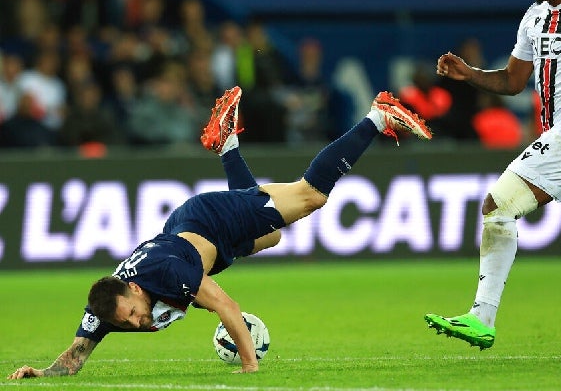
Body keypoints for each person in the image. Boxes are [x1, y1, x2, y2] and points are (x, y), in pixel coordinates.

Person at [7, 85, 431, 380]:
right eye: (128, 323)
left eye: (133, 315)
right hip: (195, 236)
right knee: (274, 236)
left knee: (310, 197)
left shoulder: (169, 278)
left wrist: (250, 367)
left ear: (134, 290)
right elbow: (76, 357)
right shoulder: (109, 307)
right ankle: (226, 144)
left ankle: (378, 115)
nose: (137, 324)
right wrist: (41, 372)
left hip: (212, 221)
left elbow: (228, 308)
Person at [425, 0, 561, 350]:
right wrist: (470, 74)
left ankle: (482, 316)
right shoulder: (533, 16)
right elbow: (512, 80)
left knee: (498, 205)